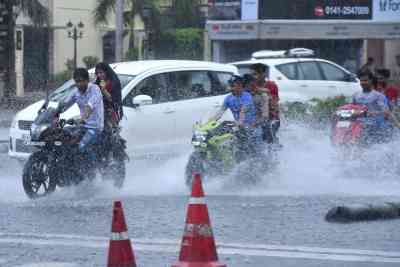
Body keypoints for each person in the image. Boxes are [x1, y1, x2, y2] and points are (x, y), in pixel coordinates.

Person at [60, 68, 104, 169]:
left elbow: (89, 107)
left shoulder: (95, 89)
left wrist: (83, 118)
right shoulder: (76, 92)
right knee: (63, 137)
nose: (78, 84)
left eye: (81, 81)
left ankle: (94, 170)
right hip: (82, 126)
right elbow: (65, 104)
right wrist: (54, 113)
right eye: (76, 81)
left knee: (82, 147)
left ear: (87, 80)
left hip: (95, 127)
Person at [212, 75, 259, 157]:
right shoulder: (228, 98)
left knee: (249, 149)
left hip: (251, 127)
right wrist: (210, 122)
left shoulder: (247, 96)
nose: (230, 88)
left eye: (233, 86)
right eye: (230, 86)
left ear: (240, 85)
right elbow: (221, 111)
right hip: (239, 127)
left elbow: (243, 111)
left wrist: (240, 122)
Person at [352, 72, 399, 144]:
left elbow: (386, 113)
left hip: (377, 127)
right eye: (361, 80)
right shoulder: (356, 95)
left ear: (371, 81)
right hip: (361, 127)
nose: (363, 83)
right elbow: (353, 110)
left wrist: (398, 125)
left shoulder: (378, 96)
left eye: (365, 80)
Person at [250, 63, 280, 144]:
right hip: (257, 118)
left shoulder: (272, 85)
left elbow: (274, 102)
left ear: (263, 74)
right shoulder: (250, 86)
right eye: (252, 74)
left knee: (268, 136)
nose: (253, 77)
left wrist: (261, 91)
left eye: (255, 74)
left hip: (272, 118)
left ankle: (275, 151)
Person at [94, 62, 123, 131]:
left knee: (109, 134)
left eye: (101, 73)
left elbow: (112, 99)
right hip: (99, 113)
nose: (99, 75)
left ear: (106, 72)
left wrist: (103, 89)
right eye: (97, 73)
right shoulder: (100, 82)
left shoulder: (114, 82)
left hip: (111, 113)